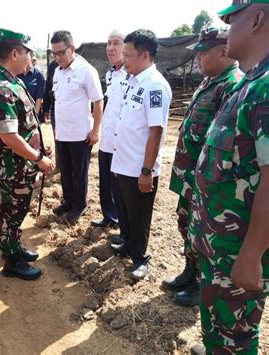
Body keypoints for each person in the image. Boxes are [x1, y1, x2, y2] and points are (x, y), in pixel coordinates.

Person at [188, 1, 269, 354]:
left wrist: (251, 255)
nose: (226, 27)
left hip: (237, 251)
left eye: (232, 19)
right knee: (218, 328)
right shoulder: (247, 84)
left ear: (258, 20)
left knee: (235, 338)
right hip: (218, 246)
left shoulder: (265, 90)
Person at [161, 28, 242, 308]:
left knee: (203, 234)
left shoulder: (232, 85)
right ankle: (190, 272)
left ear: (223, 51)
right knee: (186, 225)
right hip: (189, 176)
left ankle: (201, 285)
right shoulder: (210, 81)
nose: (197, 58)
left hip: (207, 180)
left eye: (203, 52)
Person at [0, 28, 54, 280]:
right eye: (28, 53)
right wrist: (38, 158)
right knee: (12, 212)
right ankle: (11, 260)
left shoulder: (13, 82)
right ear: (15, 53)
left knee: (17, 210)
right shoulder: (2, 88)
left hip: (22, 164)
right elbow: (9, 137)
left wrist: (38, 147)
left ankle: (15, 246)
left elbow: (25, 126)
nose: (30, 58)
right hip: (15, 166)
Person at [110, 29, 172, 281]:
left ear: (145, 55)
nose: (124, 60)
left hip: (140, 168)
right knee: (125, 211)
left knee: (139, 216)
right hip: (123, 163)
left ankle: (140, 258)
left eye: (128, 55)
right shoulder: (134, 81)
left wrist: (147, 171)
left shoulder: (155, 86)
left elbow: (155, 132)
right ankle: (127, 243)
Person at [50, 30, 104, 223]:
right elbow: (60, 102)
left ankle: (79, 204)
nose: (57, 58)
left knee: (78, 172)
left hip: (81, 134)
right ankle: (68, 200)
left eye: (61, 53)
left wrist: (96, 130)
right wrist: (57, 128)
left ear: (72, 48)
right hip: (62, 132)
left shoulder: (86, 71)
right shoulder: (57, 72)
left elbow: (98, 101)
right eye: (53, 54)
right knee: (65, 170)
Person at [91, 30, 128, 231]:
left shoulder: (131, 75)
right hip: (106, 140)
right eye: (108, 43)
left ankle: (121, 224)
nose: (110, 48)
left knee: (119, 187)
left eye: (116, 43)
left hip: (120, 143)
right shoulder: (110, 74)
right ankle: (108, 216)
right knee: (105, 183)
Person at [17, 52, 45, 121]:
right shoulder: (17, 74)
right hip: (19, 113)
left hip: (33, 112)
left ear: (31, 59)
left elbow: (39, 97)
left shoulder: (38, 75)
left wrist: (35, 115)